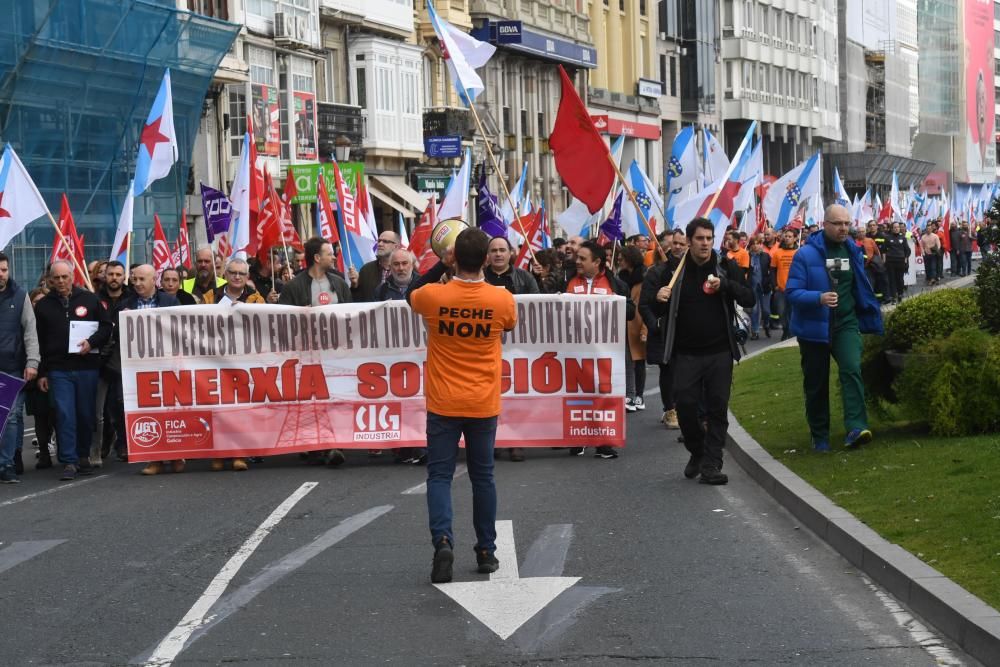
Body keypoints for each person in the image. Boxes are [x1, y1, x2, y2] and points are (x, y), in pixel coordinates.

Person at [406, 228, 517, 584]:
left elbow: (411, 293)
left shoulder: (434, 296)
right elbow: (509, 326)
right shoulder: (502, 300)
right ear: (487, 259)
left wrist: (443, 263)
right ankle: (486, 550)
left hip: (443, 400)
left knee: (439, 476)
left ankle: (442, 542)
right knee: (483, 476)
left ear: (453, 258)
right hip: (483, 401)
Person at [650, 218, 755, 485]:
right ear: (688, 241)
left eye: (709, 238)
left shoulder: (725, 266)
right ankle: (697, 451)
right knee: (685, 408)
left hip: (719, 352)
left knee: (717, 409)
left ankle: (711, 464)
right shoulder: (672, 272)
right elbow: (653, 310)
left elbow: (749, 297)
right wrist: (659, 299)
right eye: (700, 238)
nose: (705, 243)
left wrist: (726, 285)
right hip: (685, 354)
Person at [786, 205, 883, 452]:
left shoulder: (852, 250)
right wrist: (818, 298)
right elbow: (792, 292)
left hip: (846, 323)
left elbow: (859, 284)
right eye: (837, 224)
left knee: (852, 370)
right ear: (825, 224)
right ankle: (820, 435)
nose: (843, 229)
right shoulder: (805, 255)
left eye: (846, 224)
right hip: (814, 329)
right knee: (816, 383)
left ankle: (856, 427)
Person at [35, 260, 113, 481]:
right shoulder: (43, 306)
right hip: (58, 369)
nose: (61, 281)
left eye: (65, 277)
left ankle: (83, 455)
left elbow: (107, 327)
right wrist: (42, 372)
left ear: (73, 276)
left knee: (85, 413)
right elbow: (38, 341)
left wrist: (91, 342)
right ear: (50, 280)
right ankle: (69, 460)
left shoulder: (90, 299)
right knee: (64, 414)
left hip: (87, 367)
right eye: (56, 278)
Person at [280, 237, 352, 467]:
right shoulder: (294, 286)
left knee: (335, 397)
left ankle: (334, 444)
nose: (334, 257)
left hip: (335, 352)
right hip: (306, 354)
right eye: (330, 253)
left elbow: (352, 312)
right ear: (317, 258)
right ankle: (312, 445)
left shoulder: (339, 283)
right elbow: (282, 319)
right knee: (310, 401)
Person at [565, 240, 635, 459]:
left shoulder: (615, 283)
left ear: (597, 262)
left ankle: (604, 441)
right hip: (575, 352)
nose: (577, 261)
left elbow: (631, 311)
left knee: (604, 395)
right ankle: (576, 439)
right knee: (575, 395)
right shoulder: (566, 280)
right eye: (577, 257)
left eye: (582, 258)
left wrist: (616, 303)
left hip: (605, 353)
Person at [484, 236, 537, 462]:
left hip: (519, 344)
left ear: (510, 253)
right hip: (488, 344)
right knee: (492, 393)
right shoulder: (479, 278)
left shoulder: (524, 277)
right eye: (493, 250)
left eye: (502, 250)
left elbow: (537, 305)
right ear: (487, 255)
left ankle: (517, 441)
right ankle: (495, 439)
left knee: (516, 393)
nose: (498, 254)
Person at [0, 253, 39, 483]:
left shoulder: (20, 296)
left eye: (4, 270)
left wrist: (33, 362)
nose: (1, 274)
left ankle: (5, 465)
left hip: (12, 368)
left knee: (11, 416)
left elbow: (30, 332)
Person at [96, 261, 131, 465]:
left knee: (120, 404)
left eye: (119, 274)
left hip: (122, 359)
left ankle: (123, 444)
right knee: (101, 408)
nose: (114, 278)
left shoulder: (130, 299)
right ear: (105, 276)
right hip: (100, 359)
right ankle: (103, 442)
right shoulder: (95, 299)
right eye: (111, 274)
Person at [619, 246, 647, 413]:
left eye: (622, 258)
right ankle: (630, 394)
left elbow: (647, 303)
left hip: (638, 324)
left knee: (639, 361)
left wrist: (645, 329)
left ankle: (639, 395)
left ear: (629, 259)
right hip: (623, 324)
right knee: (627, 361)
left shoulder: (644, 277)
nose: (619, 260)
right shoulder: (619, 278)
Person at [351, 232, 399, 302]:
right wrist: (355, 286)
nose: (380, 244)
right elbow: (357, 301)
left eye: (385, 241)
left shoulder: (404, 268)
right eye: (379, 241)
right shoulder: (366, 270)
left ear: (396, 247)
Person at [769, 228, 798, 340]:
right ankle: (786, 329)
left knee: (792, 312)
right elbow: (772, 270)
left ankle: (790, 333)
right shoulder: (777, 253)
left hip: (794, 289)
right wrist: (775, 285)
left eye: (790, 236)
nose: (787, 238)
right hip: (780, 289)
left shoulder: (798, 252)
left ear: (795, 238)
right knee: (781, 312)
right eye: (786, 236)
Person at [747, 235, 772, 340]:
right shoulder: (747, 256)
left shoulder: (766, 256)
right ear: (751, 245)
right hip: (752, 287)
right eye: (754, 244)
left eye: (758, 243)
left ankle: (766, 324)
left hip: (764, 287)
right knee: (754, 310)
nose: (756, 246)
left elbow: (771, 271)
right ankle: (755, 331)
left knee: (766, 310)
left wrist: (770, 282)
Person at [883, 221, 910, 302]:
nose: (896, 229)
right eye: (894, 227)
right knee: (892, 279)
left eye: (898, 227)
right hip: (890, 262)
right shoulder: (887, 238)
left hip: (900, 261)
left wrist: (905, 259)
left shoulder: (903, 238)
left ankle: (900, 294)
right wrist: (884, 261)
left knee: (900, 279)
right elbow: (883, 250)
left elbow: (908, 251)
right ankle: (894, 296)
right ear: (892, 228)